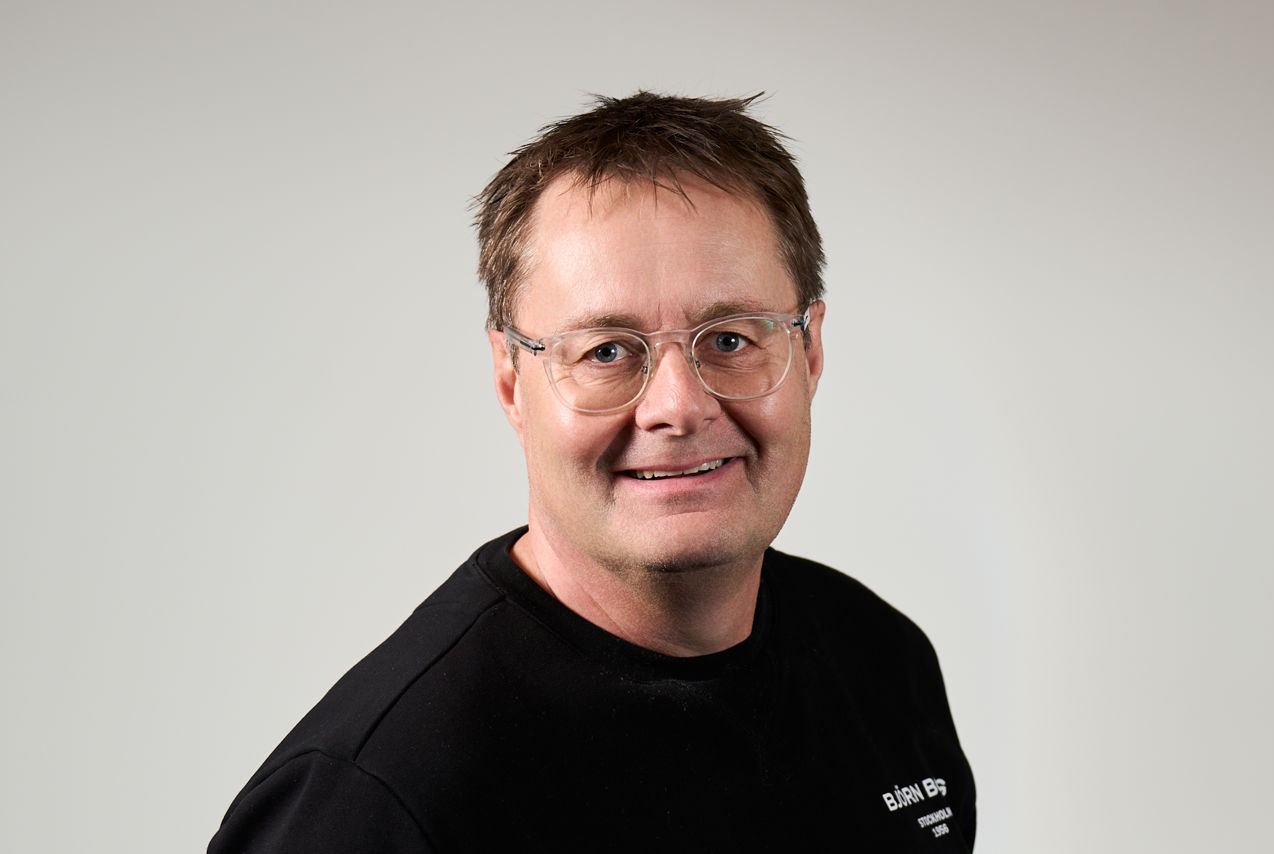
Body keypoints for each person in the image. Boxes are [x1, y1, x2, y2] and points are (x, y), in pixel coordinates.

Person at [209, 92, 975, 852]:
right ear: (511, 381)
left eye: (731, 340)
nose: (678, 407)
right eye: (606, 351)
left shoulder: (881, 663)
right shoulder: (378, 800)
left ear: (808, 352)